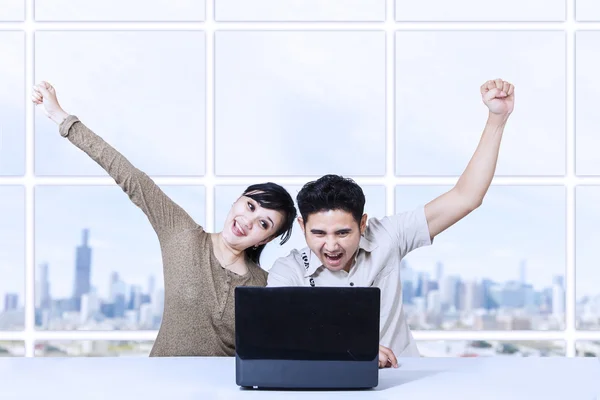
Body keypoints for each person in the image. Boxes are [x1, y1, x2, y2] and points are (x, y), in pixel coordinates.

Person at [31, 81, 297, 357]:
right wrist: (62, 117)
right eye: (250, 206)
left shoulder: (266, 285)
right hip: (160, 386)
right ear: (237, 202)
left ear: (265, 239)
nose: (249, 220)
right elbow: (131, 177)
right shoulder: (183, 236)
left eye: (264, 223)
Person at [267, 79, 515, 367]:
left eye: (343, 232)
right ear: (302, 227)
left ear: (362, 224)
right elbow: (278, 335)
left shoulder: (388, 236)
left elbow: (466, 197)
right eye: (319, 233)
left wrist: (496, 119)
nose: (331, 245)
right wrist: (354, 348)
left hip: (403, 378)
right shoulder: (288, 271)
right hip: (327, 384)